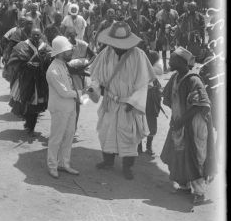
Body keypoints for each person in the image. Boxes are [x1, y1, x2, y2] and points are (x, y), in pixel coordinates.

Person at [88, 21, 155, 180]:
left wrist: (133, 103)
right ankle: (108, 161)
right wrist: (94, 88)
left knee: (129, 137)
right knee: (106, 132)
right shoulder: (106, 54)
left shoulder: (138, 55)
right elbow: (96, 77)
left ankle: (127, 167)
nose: (118, 47)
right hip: (110, 102)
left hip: (128, 104)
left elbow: (143, 84)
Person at [160, 47, 216, 205]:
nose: (169, 62)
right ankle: (184, 186)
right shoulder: (176, 77)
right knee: (179, 153)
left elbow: (200, 105)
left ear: (181, 62)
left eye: (172, 59)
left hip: (194, 124)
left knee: (195, 156)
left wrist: (181, 120)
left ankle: (200, 193)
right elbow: (170, 98)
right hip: (180, 122)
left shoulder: (193, 80)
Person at [46, 36, 81, 178]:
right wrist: (81, 93)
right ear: (60, 53)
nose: (70, 53)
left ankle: (64, 163)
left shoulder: (63, 65)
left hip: (70, 106)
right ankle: (52, 165)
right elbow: (64, 92)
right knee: (56, 138)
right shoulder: (53, 70)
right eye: (67, 51)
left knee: (68, 136)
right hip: (60, 108)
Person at [5, 28, 51, 134]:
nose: (36, 37)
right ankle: (28, 122)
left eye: (38, 35)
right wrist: (26, 64)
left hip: (39, 80)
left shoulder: (44, 46)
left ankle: (31, 127)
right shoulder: (22, 45)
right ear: (30, 35)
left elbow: (51, 57)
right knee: (26, 101)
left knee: (35, 105)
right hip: (26, 79)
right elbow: (14, 60)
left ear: (41, 35)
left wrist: (43, 61)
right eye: (34, 35)